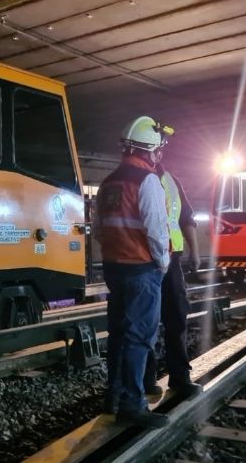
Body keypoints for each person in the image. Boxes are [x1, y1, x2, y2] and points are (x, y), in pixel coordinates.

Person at [94, 115, 170, 428]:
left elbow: (98, 229)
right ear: (150, 151)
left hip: (114, 268)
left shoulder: (108, 183)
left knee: (119, 335)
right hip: (142, 269)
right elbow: (156, 230)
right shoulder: (147, 181)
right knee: (138, 337)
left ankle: (113, 396)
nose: (159, 155)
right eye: (158, 150)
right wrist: (162, 262)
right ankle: (132, 404)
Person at [143, 148, 204, 399]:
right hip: (145, 262)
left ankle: (180, 377)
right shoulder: (138, 180)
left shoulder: (170, 181)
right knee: (146, 323)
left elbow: (186, 218)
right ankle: (147, 380)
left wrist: (195, 251)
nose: (156, 155)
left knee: (176, 318)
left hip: (172, 262)